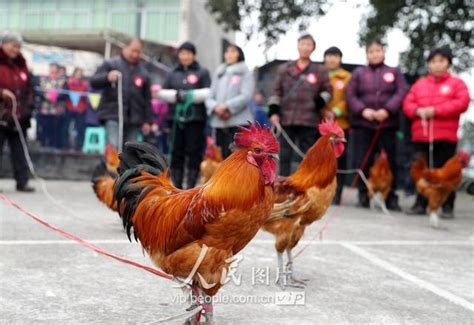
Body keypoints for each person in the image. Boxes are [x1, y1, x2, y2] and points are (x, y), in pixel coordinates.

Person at [403, 47, 470, 218]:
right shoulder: (420, 84)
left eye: (441, 61)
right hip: (421, 135)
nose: (437, 65)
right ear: (428, 65)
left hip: (445, 136)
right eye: (433, 61)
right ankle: (421, 202)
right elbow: (407, 104)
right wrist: (418, 110)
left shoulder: (457, 84)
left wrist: (436, 110)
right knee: (421, 172)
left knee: (446, 174)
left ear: (448, 63)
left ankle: (447, 205)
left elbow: (462, 103)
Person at [346, 40, 407, 211]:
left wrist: (387, 110)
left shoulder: (394, 72)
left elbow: (401, 92)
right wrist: (363, 110)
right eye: (371, 51)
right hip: (363, 124)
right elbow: (350, 95)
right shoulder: (358, 73)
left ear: (383, 52)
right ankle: (363, 194)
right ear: (367, 54)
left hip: (387, 124)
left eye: (378, 50)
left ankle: (391, 197)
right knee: (363, 160)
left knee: (391, 162)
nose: (375, 54)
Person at [268, 34, 332, 176]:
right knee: (284, 154)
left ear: (313, 48)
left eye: (308, 44)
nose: (305, 47)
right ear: (297, 46)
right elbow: (276, 92)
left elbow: (328, 91)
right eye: (302, 44)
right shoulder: (284, 69)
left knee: (307, 155)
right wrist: (273, 112)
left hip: (309, 119)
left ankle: (304, 187)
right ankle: (281, 185)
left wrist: (319, 103)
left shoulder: (320, 70)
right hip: (286, 118)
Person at [158, 42, 211, 188]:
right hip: (175, 118)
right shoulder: (172, 73)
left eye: (188, 53)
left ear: (194, 55)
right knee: (175, 151)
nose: (185, 56)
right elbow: (162, 92)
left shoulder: (202, 72)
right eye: (182, 53)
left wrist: (189, 95)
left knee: (193, 151)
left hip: (195, 119)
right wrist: (177, 96)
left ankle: (191, 186)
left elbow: (209, 92)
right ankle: (177, 186)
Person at [89, 38, 152, 149]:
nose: (135, 54)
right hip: (113, 114)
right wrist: (107, 77)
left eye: (138, 52)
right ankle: (110, 166)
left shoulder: (144, 72)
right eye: (133, 50)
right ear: (125, 48)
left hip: (135, 119)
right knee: (114, 146)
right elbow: (93, 81)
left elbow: (147, 99)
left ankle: (124, 166)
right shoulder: (111, 64)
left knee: (131, 150)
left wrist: (148, 121)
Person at [205, 44, 254, 159]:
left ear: (239, 54)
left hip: (238, 122)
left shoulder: (245, 72)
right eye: (227, 51)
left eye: (233, 51)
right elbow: (210, 96)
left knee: (238, 158)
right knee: (220, 157)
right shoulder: (219, 72)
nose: (229, 54)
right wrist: (216, 107)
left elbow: (246, 95)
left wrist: (227, 106)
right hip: (219, 121)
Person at [0, 32, 35, 192]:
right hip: (2, 113)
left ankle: (22, 181)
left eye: (18, 47)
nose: (16, 49)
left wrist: (28, 106)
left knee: (20, 150)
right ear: (3, 45)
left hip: (19, 116)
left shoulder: (22, 64)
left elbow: (29, 88)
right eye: (13, 45)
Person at [322, 46, 351, 205]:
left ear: (340, 59)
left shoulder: (347, 77)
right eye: (329, 56)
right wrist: (323, 111)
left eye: (335, 56)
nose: (332, 59)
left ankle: (337, 193)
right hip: (321, 123)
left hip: (341, 124)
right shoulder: (319, 74)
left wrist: (337, 110)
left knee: (339, 160)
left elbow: (350, 98)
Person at [37, 62, 66, 148]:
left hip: (57, 110)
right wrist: (45, 96)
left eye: (54, 69)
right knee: (45, 128)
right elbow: (38, 91)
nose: (52, 71)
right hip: (45, 109)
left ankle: (54, 145)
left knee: (56, 129)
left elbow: (65, 94)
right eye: (51, 69)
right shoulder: (43, 80)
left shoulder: (62, 81)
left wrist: (56, 97)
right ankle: (43, 144)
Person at [61, 67, 88, 151]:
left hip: (81, 109)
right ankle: (65, 146)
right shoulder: (68, 83)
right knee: (66, 127)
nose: (79, 75)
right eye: (78, 73)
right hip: (69, 107)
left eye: (81, 73)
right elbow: (64, 95)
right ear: (74, 73)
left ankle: (78, 147)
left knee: (80, 128)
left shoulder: (85, 84)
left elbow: (86, 97)